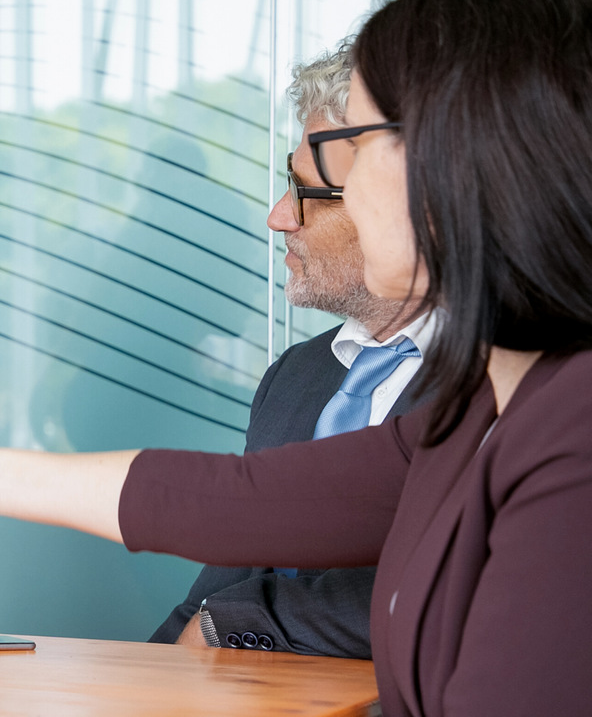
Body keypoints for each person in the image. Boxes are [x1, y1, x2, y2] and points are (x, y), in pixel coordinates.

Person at [0, 0, 592, 714]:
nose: (282, 210)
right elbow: (244, 499)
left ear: (455, 160)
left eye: (354, 147)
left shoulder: (572, 423)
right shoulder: (482, 410)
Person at [155, 40, 432, 658]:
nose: (280, 217)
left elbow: (436, 598)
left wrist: (230, 623)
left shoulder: (519, 380)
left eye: (305, 191)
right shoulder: (296, 376)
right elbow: (215, 593)